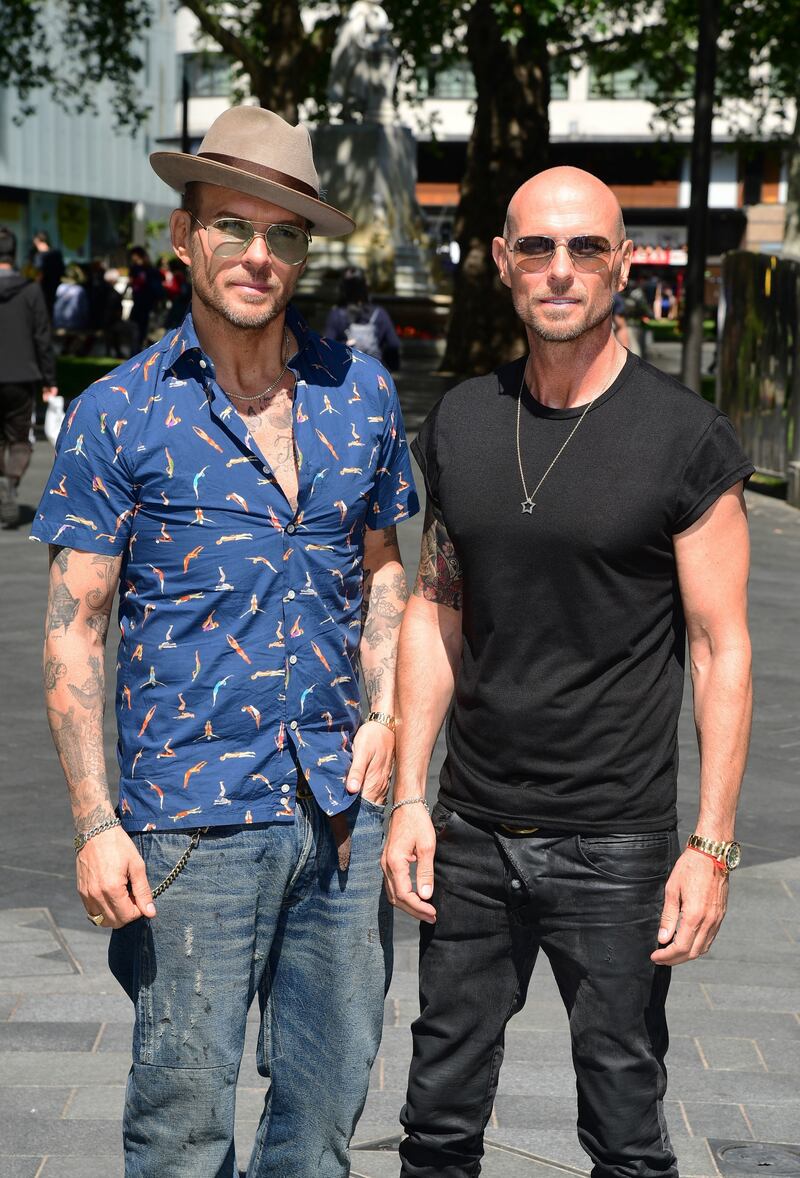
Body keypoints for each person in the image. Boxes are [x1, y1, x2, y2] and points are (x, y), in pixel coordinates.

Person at [33, 104, 419, 1176]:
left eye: (284, 233)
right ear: (183, 234)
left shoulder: (362, 398)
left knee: (324, 1112)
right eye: (232, 227)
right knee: (182, 1123)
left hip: (336, 807)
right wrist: (94, 820)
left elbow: (384, 567)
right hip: (189, 823)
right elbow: (76, 627)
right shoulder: (122, 412)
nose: (259, 254)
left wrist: (387, 715)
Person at [382, 166, 754, 1178]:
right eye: (536, 248)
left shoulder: (684, 439)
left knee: (627, 1134)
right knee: (435, 1123)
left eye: (585, 247)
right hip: (470, 832)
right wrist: (408, 796)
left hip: (617, 845)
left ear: (620, 264)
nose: (559, 270)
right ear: (500, 261)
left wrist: (710, 845)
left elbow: (722, 649)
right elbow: (435, 604)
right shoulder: (458, 420)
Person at [0, 227, 57, 528]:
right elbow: (42, 338)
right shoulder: (30, 290)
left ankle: (3, 481)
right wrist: (49, 379)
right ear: (14, 253)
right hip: (22, 375)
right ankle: (11, 479)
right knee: (20, 437)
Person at [325, 266, 400, 370]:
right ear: (365, 286)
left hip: (346, 373)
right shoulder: (379, 313)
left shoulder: (337, 314)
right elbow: (393, 344)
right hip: (374, 371)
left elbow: (327, 347)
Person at [127, 245, 165, 351]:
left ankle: (139, 354)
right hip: (141, 305)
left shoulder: (149, 271)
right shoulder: (138, 269)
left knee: (144, 333)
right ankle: (136, 354)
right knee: (138, 333)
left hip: (147, 305)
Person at [31, 230, 65, 316]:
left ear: (39, 241)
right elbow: (62, 270)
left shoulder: (39, 256)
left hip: (43, 288)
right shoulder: (57, 254)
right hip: (56, 287)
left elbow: (38, 273)